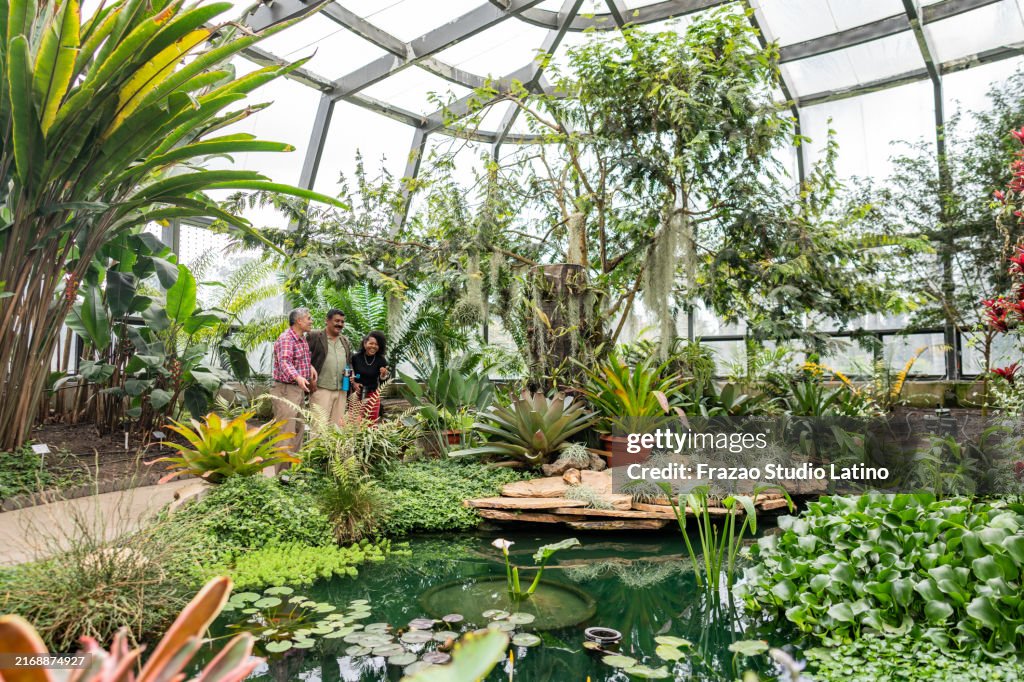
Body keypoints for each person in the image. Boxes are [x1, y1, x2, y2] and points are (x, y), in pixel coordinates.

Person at [270, 307, 317, 454]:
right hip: (285, 390)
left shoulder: (301, 339)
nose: (311, 321)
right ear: (299, 321)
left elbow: (298, 359)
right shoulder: (286, 338)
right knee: (286, 433)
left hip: (297, 390)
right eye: (308, 318)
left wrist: (310, 367)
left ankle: (293, 473)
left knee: (298, 431)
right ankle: (283, 475)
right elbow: (284, 362)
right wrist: (297, 377)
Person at [308, 309, 352, 428]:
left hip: (341, 390)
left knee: (337, 429)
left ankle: (333, 448)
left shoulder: (345, 341)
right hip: (321, 389)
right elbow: (302, 358)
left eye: (342, 322)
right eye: (336, 321)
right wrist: (309, 379)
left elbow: (349, 362)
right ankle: (316, 447)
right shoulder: (314, 336)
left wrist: (350, 373)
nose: (340, 324)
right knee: (319, 427)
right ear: (327, 320)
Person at [350, 331, 389, 424]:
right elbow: (351, 374)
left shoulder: (381, 359)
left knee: (371, 423)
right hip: (357, 395)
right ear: (364, 343)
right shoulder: (355, 358)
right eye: (371, 343)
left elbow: (382, 380)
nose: (373, 346)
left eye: (376, 344)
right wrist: (354, 383)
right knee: (354, 423)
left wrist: (383, 375)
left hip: (373, 395)